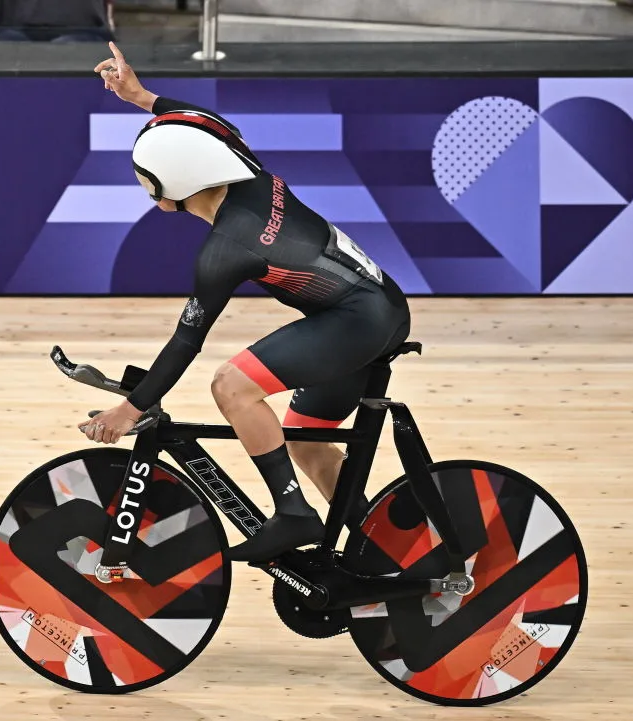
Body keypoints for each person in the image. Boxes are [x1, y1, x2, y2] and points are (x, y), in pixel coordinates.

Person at [78, 43, 412, 563]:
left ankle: (293, 513)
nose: (144, 185)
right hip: (380, 306)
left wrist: (129, 410)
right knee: (304, 440)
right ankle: (388, 556)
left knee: (231, 386)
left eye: (147, 178)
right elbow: (206, 125)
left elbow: (186, 342)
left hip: (356, 321)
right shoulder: (250, 173)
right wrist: (140, 96)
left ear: (172, 186)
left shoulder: (227, 248)